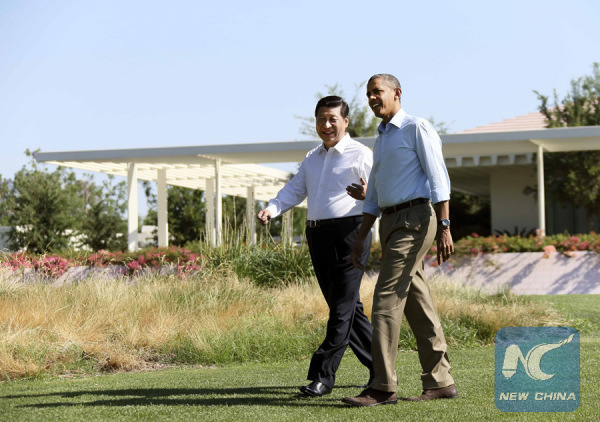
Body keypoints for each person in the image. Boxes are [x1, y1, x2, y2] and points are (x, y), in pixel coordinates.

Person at [342, 74, 458, 407]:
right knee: (417, 302)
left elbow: (438, 179)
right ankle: (441, 381)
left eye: (377, 92)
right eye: (368, 94)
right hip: (390, 222)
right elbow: (375, 192)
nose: (372, 98)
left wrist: (446, 226)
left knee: (386, 298)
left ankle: (382, 387)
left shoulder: (416, 128)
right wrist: (362, 235)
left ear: (397, 93)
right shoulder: (382, 138)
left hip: (416, 220)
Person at [257, 95, 374, 398]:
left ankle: (322, 376)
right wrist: (272, 208)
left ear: (346, 122)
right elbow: (295, 189)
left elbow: (381, 193)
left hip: (352, 234)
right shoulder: (312, 157)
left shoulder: (361, 154)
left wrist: (368, 194)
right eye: (321, 119)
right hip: (318, 236)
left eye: (333, 118)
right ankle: (382, 368)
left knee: (341, 311)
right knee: (347, 309)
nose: (327, 124)